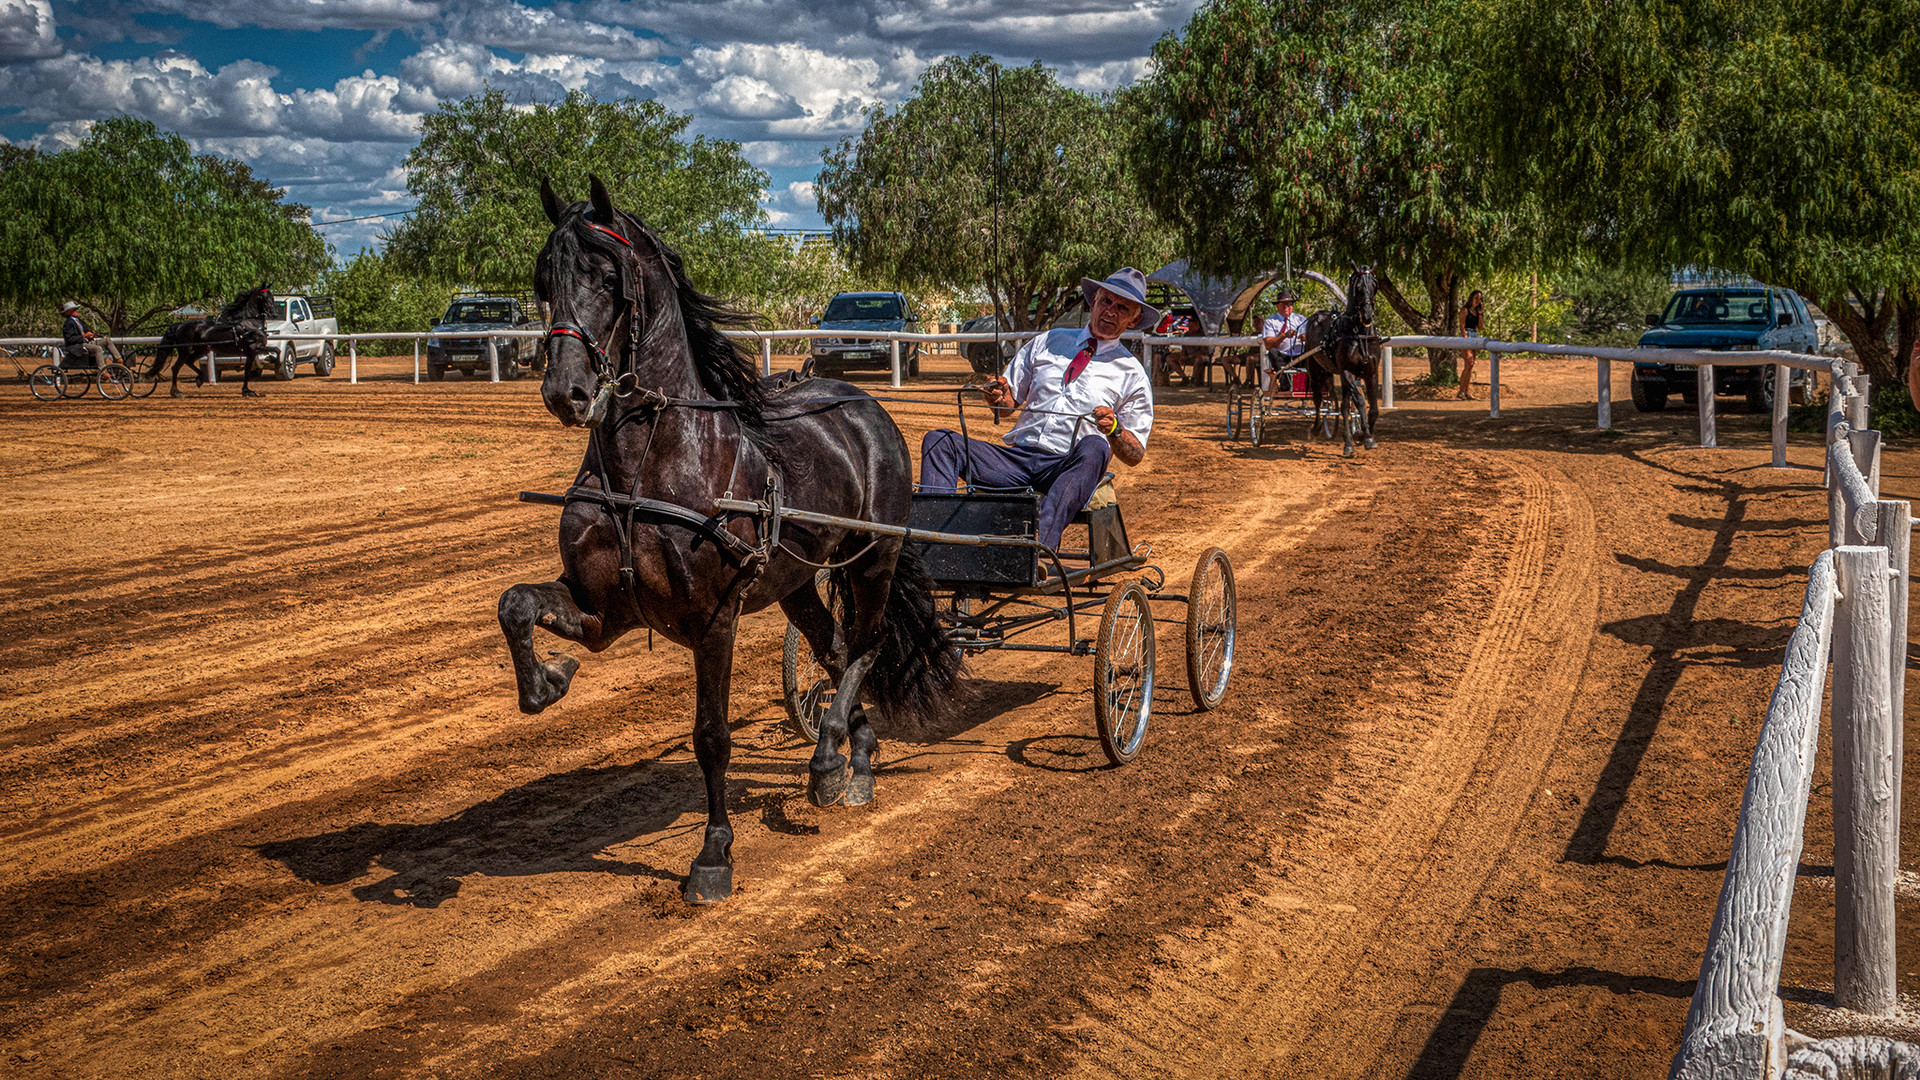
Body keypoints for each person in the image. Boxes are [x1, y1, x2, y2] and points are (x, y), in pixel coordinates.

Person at [920, 267, 1157, 551]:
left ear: (1135, 319)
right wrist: (996, 395)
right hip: (1015, 460)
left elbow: (1135, 453)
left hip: (1066, 467)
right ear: (1093, 301)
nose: (1111, 312)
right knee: (939, 441)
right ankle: (931, 543)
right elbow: (1007, 405)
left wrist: (1115, 429)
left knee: (1095, 445)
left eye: (1122, 308)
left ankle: (1039, 549)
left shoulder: (1132, 374)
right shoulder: (1049, 341)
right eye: (1106, 301)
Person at [1259, 290, 1308, 392]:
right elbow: (1268, 344)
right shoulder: (1271, 322)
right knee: (1272, 352)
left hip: (1300, 355)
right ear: (1277, 306)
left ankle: (1309, 385)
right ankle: (1284, 384)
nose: (1286, 306)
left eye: (1289, 304)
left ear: (1292, 306)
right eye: (1283, 304)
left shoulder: (1301, 319)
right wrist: (1284, 336)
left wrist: (1306, 337)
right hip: (1282, 356)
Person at [60, 300, 121, 370]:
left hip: (85, 342)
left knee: (107, 340)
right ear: (68, 312)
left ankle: (118, 359)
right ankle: (103, 370)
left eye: (77, 309)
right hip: (78, 345)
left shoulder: (77, 320)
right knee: (98, 348)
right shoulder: (68, 323)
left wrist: (92, 335)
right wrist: (84, 336)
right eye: (75, 309)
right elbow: (69, 339)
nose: (77, 310)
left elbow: (82, 334)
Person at [1457, 290, 1485, 400]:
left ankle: (1466, 391)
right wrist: (1466, 341)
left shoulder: (1477, 312)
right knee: (1469, 362)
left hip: (1474, 336)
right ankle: (1460, 391)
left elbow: (1480, 327)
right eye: (1476, 298)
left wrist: (1480, 314)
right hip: (1466, 336)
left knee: (1470, 365)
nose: (1478, 301)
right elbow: (1462, 326)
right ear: (1471, 299)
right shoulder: (1465, 310)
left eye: (1480, 299)